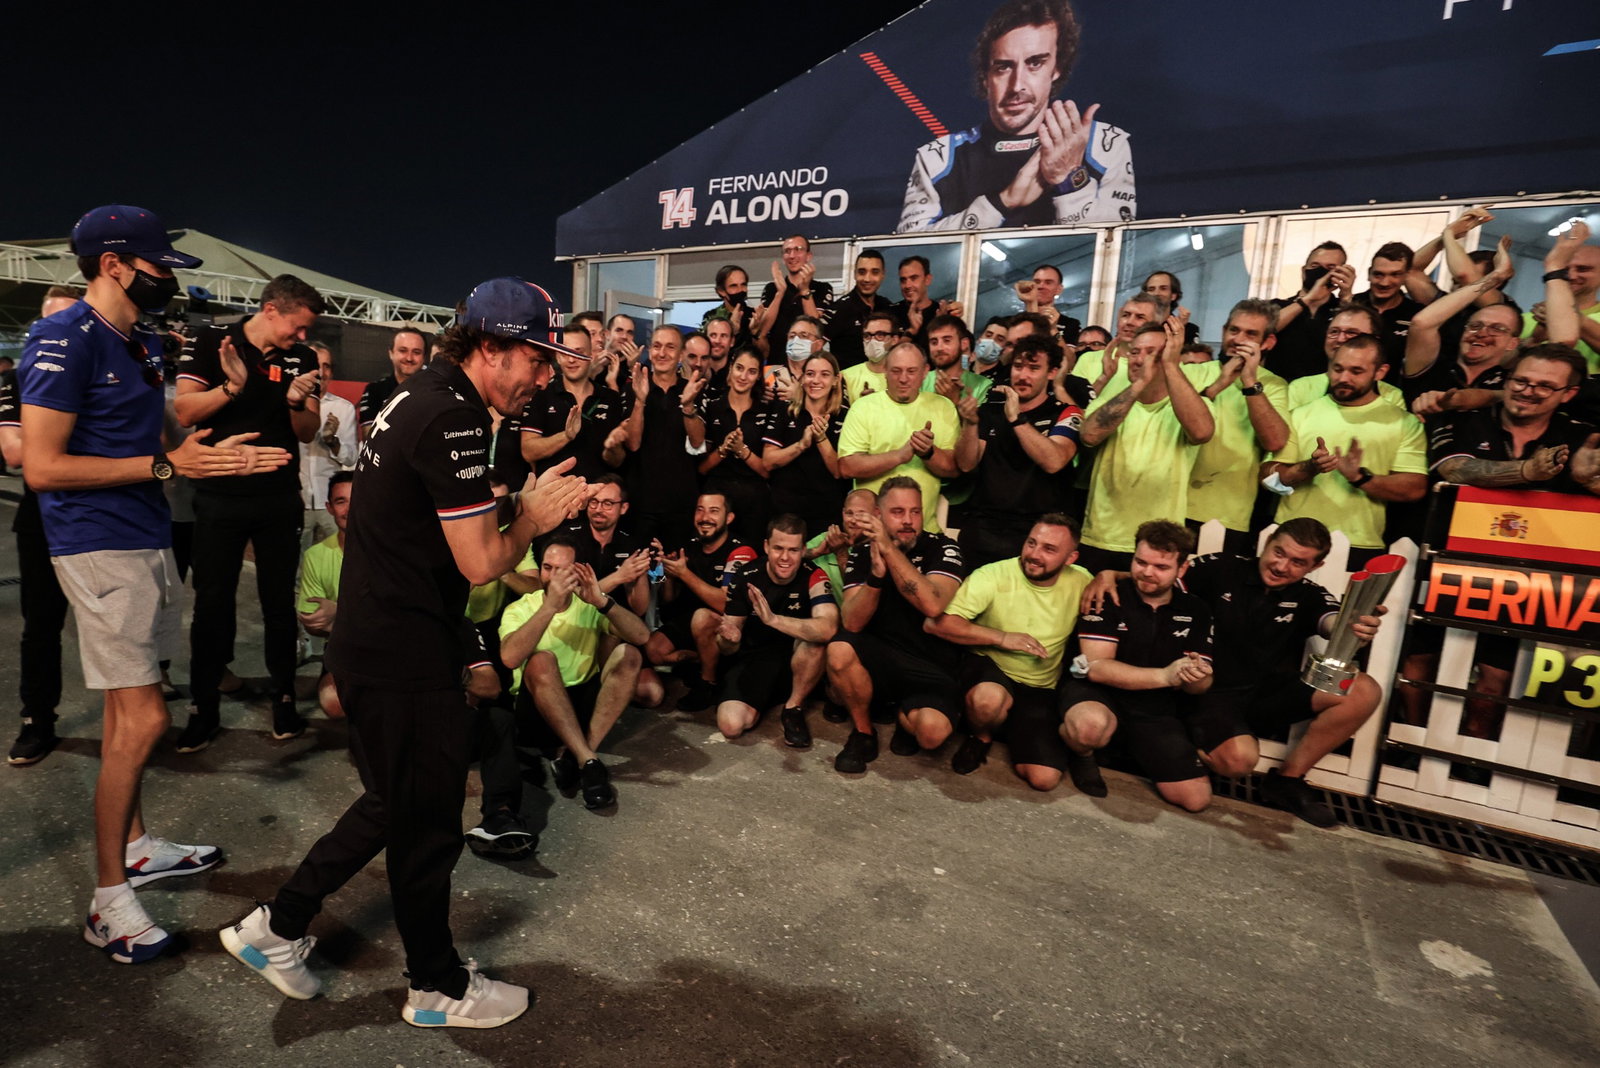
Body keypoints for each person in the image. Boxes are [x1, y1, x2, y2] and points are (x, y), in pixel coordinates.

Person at [221, 277, 591, 1028]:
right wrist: (533, 514)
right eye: (536, 359)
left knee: (397, 805)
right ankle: (435, 988)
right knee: (426, 829)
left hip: (383, 642)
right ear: (491, 347)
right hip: (401, 653)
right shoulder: (452, 416)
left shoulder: (427, 391)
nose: (545, 376)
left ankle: (277, 926)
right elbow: (482, 562)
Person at [20, 205, 292, 963]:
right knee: (143, 723)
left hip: (142, 534)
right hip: (97, 543)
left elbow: (161, 429)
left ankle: (135, 848)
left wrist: (207, 433)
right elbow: (41, 467)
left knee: (123, 716)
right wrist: (174, 467)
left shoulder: (136, 339)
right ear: (113, 265)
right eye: (158, 265)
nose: (169, 278)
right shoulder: (61, 336)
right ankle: (109, 902)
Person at [1082, 517, 1389, 824]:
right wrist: (1110, 574)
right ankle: (1171, 752)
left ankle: (1286, 781)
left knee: (1363, 690)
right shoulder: (1223, 567)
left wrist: (1353, 626)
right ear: (1266, 544)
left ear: (1315, 565)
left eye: (1298, 562)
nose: (1282, 566)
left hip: (1265, 694)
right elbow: (1160, 575)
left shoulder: (1310, 594)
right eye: (1278, 553)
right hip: (1207, 693)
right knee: (1238, 762)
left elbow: (1334, 623)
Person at [174, 273, 328, 748]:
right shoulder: (211, 342)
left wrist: (298, 400)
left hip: (279, 498)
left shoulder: (301, 358)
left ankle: (284, 703)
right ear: (270, 310)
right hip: (219, 495)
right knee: (212, 604)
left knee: (278, 604)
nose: (302, 339)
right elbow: (184, 411)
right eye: (297, 327)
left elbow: (306, 431)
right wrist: (231, 390)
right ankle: (204, 708)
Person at [897, 0, 1135, 232]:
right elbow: (909, 254)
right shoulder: (937, 157)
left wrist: (1069, 178)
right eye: (1003, 67)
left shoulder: (1105, 144)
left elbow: (1115, 251)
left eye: (1035, 63)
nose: (1017, 85)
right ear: (984, 77)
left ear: (1057, 68)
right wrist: (1001, 202)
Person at [926, 514, 1092, 789]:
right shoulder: (993, 574)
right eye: (1031, 543)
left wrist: (1110, 575)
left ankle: (1015, 728)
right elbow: (937, 624)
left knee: (1045, 779)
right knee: (987, 700)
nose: (1034, 554)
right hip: (991, 669)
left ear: (1070, 558)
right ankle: (981, 737)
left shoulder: (1083, 580)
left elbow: (1127, 583)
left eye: (1049, 549)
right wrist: (1002, 637)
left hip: (1040, 686)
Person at [1061, 522, 1216, 808]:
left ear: (1181, 570)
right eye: (1141, 561)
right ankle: (1081, 754)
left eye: (1160, 567)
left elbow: (1200, 685)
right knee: (1089, 728)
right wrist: (1167, 676)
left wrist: (1198, 676)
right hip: (1098, 694)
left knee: (1196, 800)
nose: (1147, 572)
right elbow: (1095, 666)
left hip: (1154, 708)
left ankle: (1136, 751)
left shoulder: (1196, 609)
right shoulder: (1106, 593)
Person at [497, 536, 650, 813]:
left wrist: (603, 603)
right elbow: (509, 658)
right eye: (547, 567)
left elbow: (641, 636)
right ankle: (588, 762)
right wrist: (549, 607)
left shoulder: (587, 602)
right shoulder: (520, 608)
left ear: (578, 571)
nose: (553, 576)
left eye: (562, 569)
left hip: (581, 700)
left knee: (630, 655)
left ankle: (581, 757)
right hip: (537, 707)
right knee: (541, 660)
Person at [826, 477, 967, 773]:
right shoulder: (863, 554)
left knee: (931, 734)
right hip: (882, 657)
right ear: (878, 515)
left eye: (915, 512)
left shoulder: (943, 547)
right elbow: (851, 622)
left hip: (930, 664)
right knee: (839, 649)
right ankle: (864, 733)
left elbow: (932, 604)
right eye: (898, 512)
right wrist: (876, 578)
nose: (908, 521)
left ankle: (904, 715)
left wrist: (890, 552)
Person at [1264, 335, 1427, 568]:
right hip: (1292, 543)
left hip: (1359, 544)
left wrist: (1359, 478)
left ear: (1380, 372)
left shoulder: (1404, 423)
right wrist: (1310, 467)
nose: (1343, 378)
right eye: (1337, 369)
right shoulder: (1300, 415)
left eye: (1356, 371)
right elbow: (1269, 479)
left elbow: (1415, 488)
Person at [5, 285, 81, 766]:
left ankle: (135, 717)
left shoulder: (96, 373)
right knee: (42, 627)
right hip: (43, 520)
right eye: (46, 324)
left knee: (117, 630)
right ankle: (38, 720)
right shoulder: (15, 380)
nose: (55, 334)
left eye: (67, 323)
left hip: (105, 515)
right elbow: (16, 455)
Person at [1076, 320, 1214, 574]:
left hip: (1159, 546)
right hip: (1101, 538)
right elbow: (1089, 435)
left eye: (1153, 353)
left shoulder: (1190, 405)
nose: (1140, 359)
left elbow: (1202, 432)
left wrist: (1171, 365)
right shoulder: (1110, 402)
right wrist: (1139, 383)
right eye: (1135, 352)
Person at [951, 334, 1081, 567]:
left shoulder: (1066, 412)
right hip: (983, 528)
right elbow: (966, 463)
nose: (1023, 375)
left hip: (1036, 535)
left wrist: (1016, 419)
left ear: (1051, 372)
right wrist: (970, 423)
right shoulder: (989, 411)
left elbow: (1054, 461)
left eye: (1034, 368)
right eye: (1018, 367)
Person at [713, 515, 839, 746]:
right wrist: (730, 640)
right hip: (756, 659)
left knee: (816, 643)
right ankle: (766, 699)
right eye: (778, 548)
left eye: (793, 550)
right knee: (731, 726)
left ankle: (793, 707)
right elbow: (726, 648)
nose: (784, 557)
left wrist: (773, 620)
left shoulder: (814, 575)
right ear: (766, 547)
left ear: (803, 550)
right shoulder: (746, 576)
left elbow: (828, 627)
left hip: (797, 660)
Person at [1186, 300, 1290, 549]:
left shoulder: (1274, 386)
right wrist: (1218, 385)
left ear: (1268, 343)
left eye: (1251, 334)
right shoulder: (1190, 373)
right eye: (1234, 330)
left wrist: (1249, 382)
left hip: (1230, 514)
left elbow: (1275, 441)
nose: (1238, 339)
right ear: (1223, 332)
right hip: (1172, 504)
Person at [646, 492, 757, 712]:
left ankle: (708, 684)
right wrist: (665, 569)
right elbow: (668, 600)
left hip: (729, 628)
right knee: (653, 650)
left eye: (714, 511)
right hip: (690, 622)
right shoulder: (689, 545)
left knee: (702, 617)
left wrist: (684, 573)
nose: (705, 517)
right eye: (700, 509)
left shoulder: (741, 551)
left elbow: (726, 603)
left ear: (730, 518)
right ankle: (698, 659)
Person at [838, 341, 961, 533]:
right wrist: (899, 456)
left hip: (924, 533)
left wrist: (928, 453)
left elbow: (954, 469)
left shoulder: (943, 407)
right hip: (871, 534)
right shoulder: (863, 407)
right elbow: (847, 466)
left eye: (911, 371)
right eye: (896, 371)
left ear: (925, 372)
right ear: (885, 370)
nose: (903, 378)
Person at [622, 325, 708, 550]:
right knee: (638, 568)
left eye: (670, 348)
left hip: (681, 502)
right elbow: (632, 444)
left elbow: (698, 443)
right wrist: (640, 400)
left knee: (675, 571)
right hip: (641, 500)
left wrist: (688, 405)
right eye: (657, 346)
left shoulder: (692, 389)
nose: (662, 353)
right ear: (649, 351)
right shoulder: (633, 388)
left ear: (681, 355)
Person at [519, 321, 629, 481]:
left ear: (591, 355)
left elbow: (617, 461)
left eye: (578, 352)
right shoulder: (541, 393)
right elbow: (528, 451)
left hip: (596, 501)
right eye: (565, 353)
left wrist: (612, 447)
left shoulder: (610, 398)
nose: (571, 359)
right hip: (553, 499)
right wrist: (566, 436)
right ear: (557, 355)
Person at [763, 352, 849, 538]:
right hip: (785, 511)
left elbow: (838, 471)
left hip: (826, 513)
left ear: (836, 380)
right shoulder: (785, 410)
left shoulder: (846, 416)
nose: (815, 380)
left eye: (824, 374)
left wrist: (821, 438)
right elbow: (768, 461)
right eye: (810, 374)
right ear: (801, 379)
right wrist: (801, 445)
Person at [701, 346, 774, 548]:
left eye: (751, 371)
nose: (743, 376)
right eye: (739, 368)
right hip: (716, 499)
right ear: (731, 368)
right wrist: (724, 449)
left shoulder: (767, 411)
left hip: (754, 502)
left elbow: (768, 471)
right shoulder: (712, 407)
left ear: (759, 376)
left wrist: (743, 450)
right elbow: (701, 467)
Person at [297, 471, 353, 719]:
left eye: (358, 499)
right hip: (344, 645)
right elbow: (315, 627)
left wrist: (338, 614)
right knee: (335, 704)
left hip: (392, 645)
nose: (350, 509)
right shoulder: (316, 555)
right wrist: (321, 622)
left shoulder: (392, 548)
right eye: (341, 501)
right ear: (329, 508)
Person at [1270, 242, 1358, 382]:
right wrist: (1308, 299)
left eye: (1331, 268)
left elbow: (1357, 342)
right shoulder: (1276, 306)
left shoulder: (1344, 308)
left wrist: (1346, 296)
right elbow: (1264, 330)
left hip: (1325, 392)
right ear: (1304, 271)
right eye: (1315, 266)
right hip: (1277, 389)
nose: (1321, 272)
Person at [300, 340, 357, 547]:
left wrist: (333, 442)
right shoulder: (288, 404)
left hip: (329, 501)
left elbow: (352, 457)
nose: (321, 373)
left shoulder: (344, 408)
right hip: (298, 500)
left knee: (341, 559)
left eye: (327, 366)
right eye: (316, 365)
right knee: (294, 568)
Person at [753, 235, 833, 361]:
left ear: (808, 256)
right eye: (787, 251)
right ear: (783, 258)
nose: (792, 255)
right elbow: (761, 332)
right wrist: (780, 293)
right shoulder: (771, 289)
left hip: (809, 364)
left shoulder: (822, 288)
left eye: (798, 249)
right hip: (776, 361)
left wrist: (805, 290)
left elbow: (816, 329)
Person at [1353, 242, 1426, 373]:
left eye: (1395, 274)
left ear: (1406, 276)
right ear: (1369, 274)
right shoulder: (1351, 305)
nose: (1385, 283)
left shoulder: (1418, 314)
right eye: (1378, 274)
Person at [823, 250, 894, 369]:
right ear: (855, 274)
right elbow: (815, 346)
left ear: (883, 275)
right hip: (848, 384)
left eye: (874, 272)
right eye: (862, 272)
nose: (867, 279)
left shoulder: (887, 307)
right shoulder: (839, 309)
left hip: (883, 383)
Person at [357, 327, 427, 440]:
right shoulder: (374, 390)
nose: (409, 358)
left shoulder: (435, 392)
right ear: (391, 353)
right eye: (403, 351)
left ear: (424, 358)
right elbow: (370, 438)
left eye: (416, 352)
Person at [924, 313, 992, 404]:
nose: (939, 348)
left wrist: (955, 400)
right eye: (934, 342)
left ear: (964, 344)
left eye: (947, 341)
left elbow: (980, 418)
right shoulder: (919, 380)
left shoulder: (983, 385)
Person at [1013, 264, 1082, 345]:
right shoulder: (1013, 321)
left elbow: (1069, 357)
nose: (1041, 286)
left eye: (1048, 283)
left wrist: (1054, 330)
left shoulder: (1070, 324)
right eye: (1037, 282)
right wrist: (1030, 303)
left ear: (1059, 289)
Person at [841, 313, 900, 402]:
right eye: (867, 336)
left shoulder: (905, 378)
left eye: (880, 335)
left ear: (894, 339)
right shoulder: (845, 376)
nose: (872, 341)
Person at [702, 265, 754, 352]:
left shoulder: (754, 315)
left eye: (743, 285)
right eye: (734, 286)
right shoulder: (711, 317)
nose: (740, 290)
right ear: (721, 291)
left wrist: (758, 332)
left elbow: (764, 352)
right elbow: (711, 352)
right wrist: (732, 330)